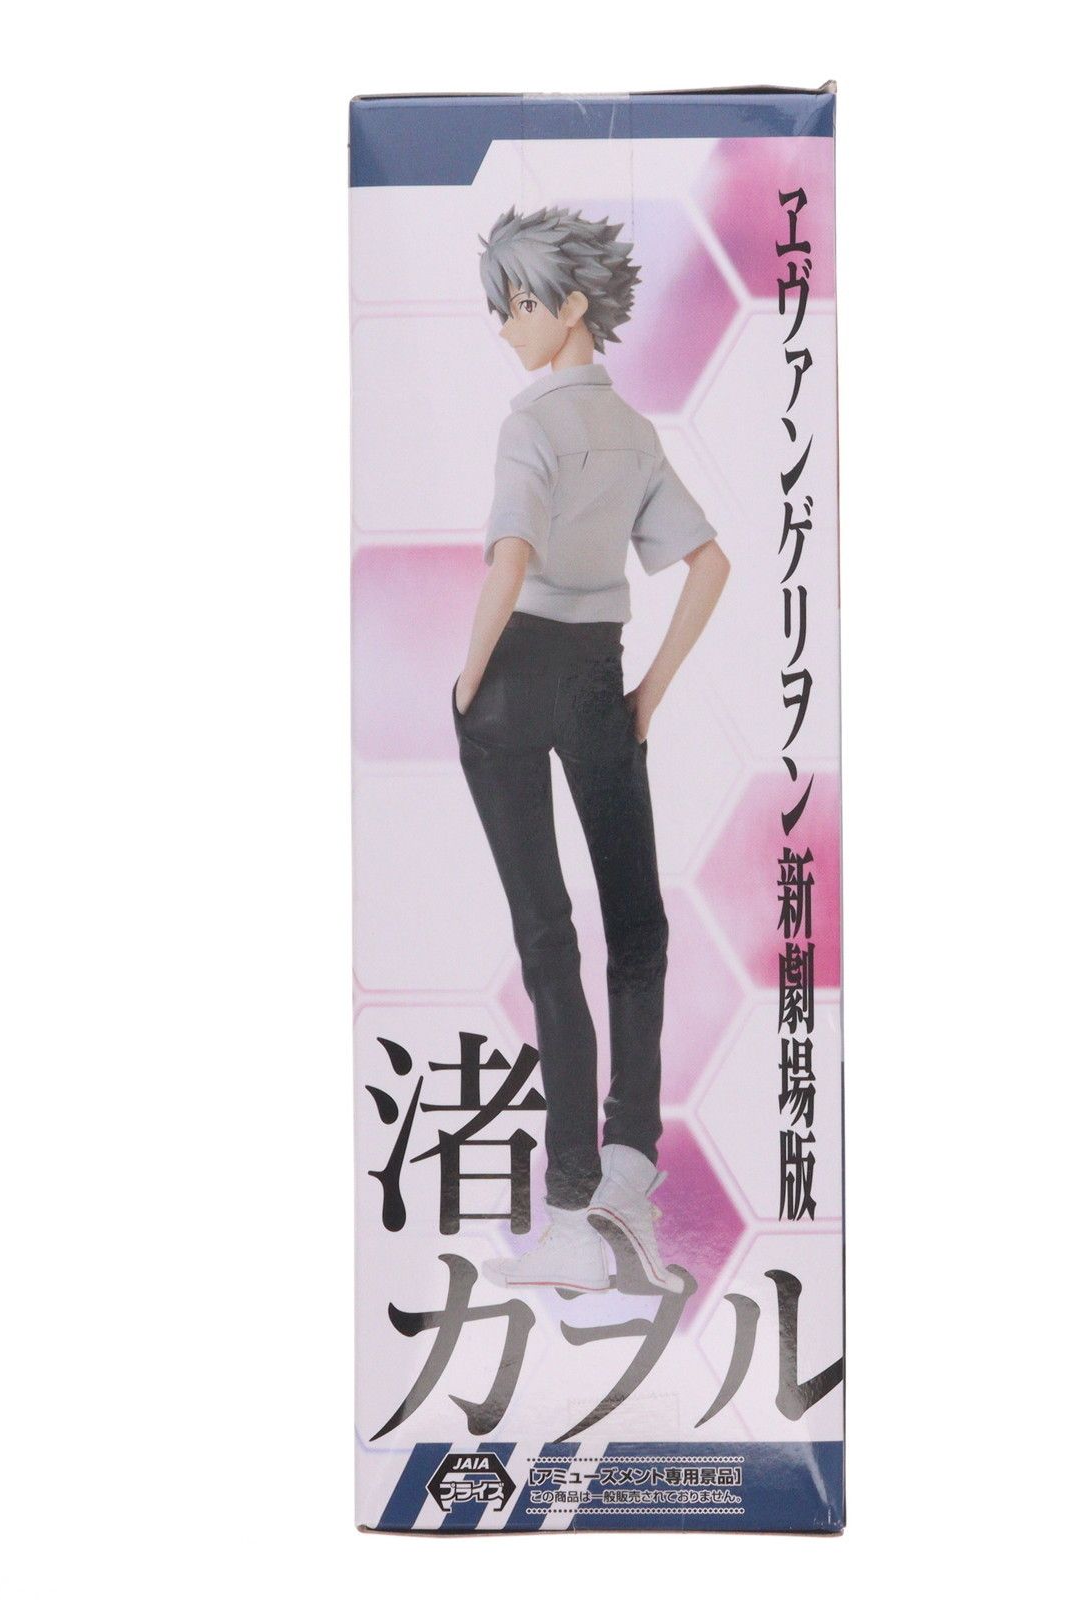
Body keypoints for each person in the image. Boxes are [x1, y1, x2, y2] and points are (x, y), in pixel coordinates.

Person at [454, 205, 730, 1294]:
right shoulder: (633, 433)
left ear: (569, 306)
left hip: (516, 671)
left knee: (548, 939)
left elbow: (509, 558)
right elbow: (709, 565)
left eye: (518, 303)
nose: (506, 325)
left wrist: (469, 682)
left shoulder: (528, 426)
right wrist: (645, 695)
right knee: (637, 926)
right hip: (599, 679)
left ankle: (569, 1217)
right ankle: (628, 1167)